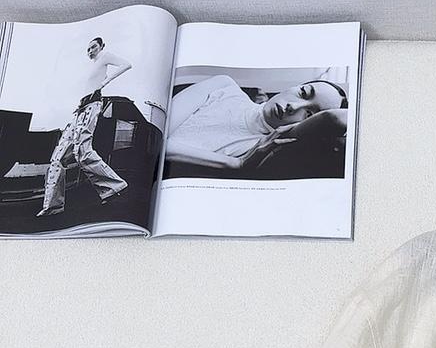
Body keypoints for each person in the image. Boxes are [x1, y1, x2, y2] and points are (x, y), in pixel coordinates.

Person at [164, 75, 347, 173]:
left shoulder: (258, 151)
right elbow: (155, 134)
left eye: (308, 114)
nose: (294, 106)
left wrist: (238, 164)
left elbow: (336, 119)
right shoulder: (224, 86)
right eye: (303, 93)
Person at [37, 37, 131, 217]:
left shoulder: (104, 56)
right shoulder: (90, 67)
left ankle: (114, 187)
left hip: (92, 106)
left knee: (82, 151)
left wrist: (105, 82)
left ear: (101, 46)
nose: (90, 51)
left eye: (93, 47)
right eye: (88, 49)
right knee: (57, 158)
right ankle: (52, 206)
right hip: (79, 110)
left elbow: (126, 64)